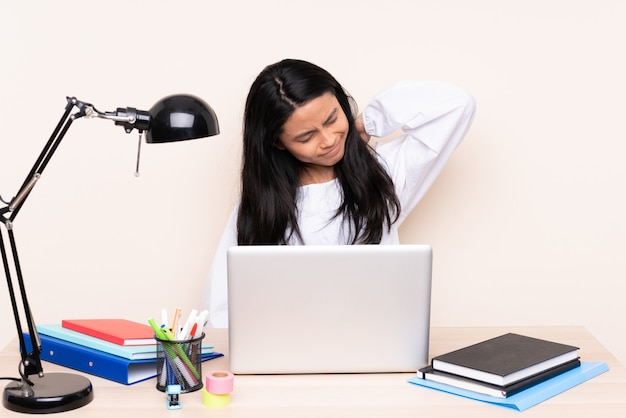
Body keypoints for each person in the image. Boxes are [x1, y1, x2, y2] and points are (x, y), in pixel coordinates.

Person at [201, 59, 476, 327]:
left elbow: (457, 104)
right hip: (291, 352)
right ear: (278, 143)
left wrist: (368, 122)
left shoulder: (383, 173)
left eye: (332, 119)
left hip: (374, 343)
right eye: (306, 137)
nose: (329, 140)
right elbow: (220, 307)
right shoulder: (263, 206)